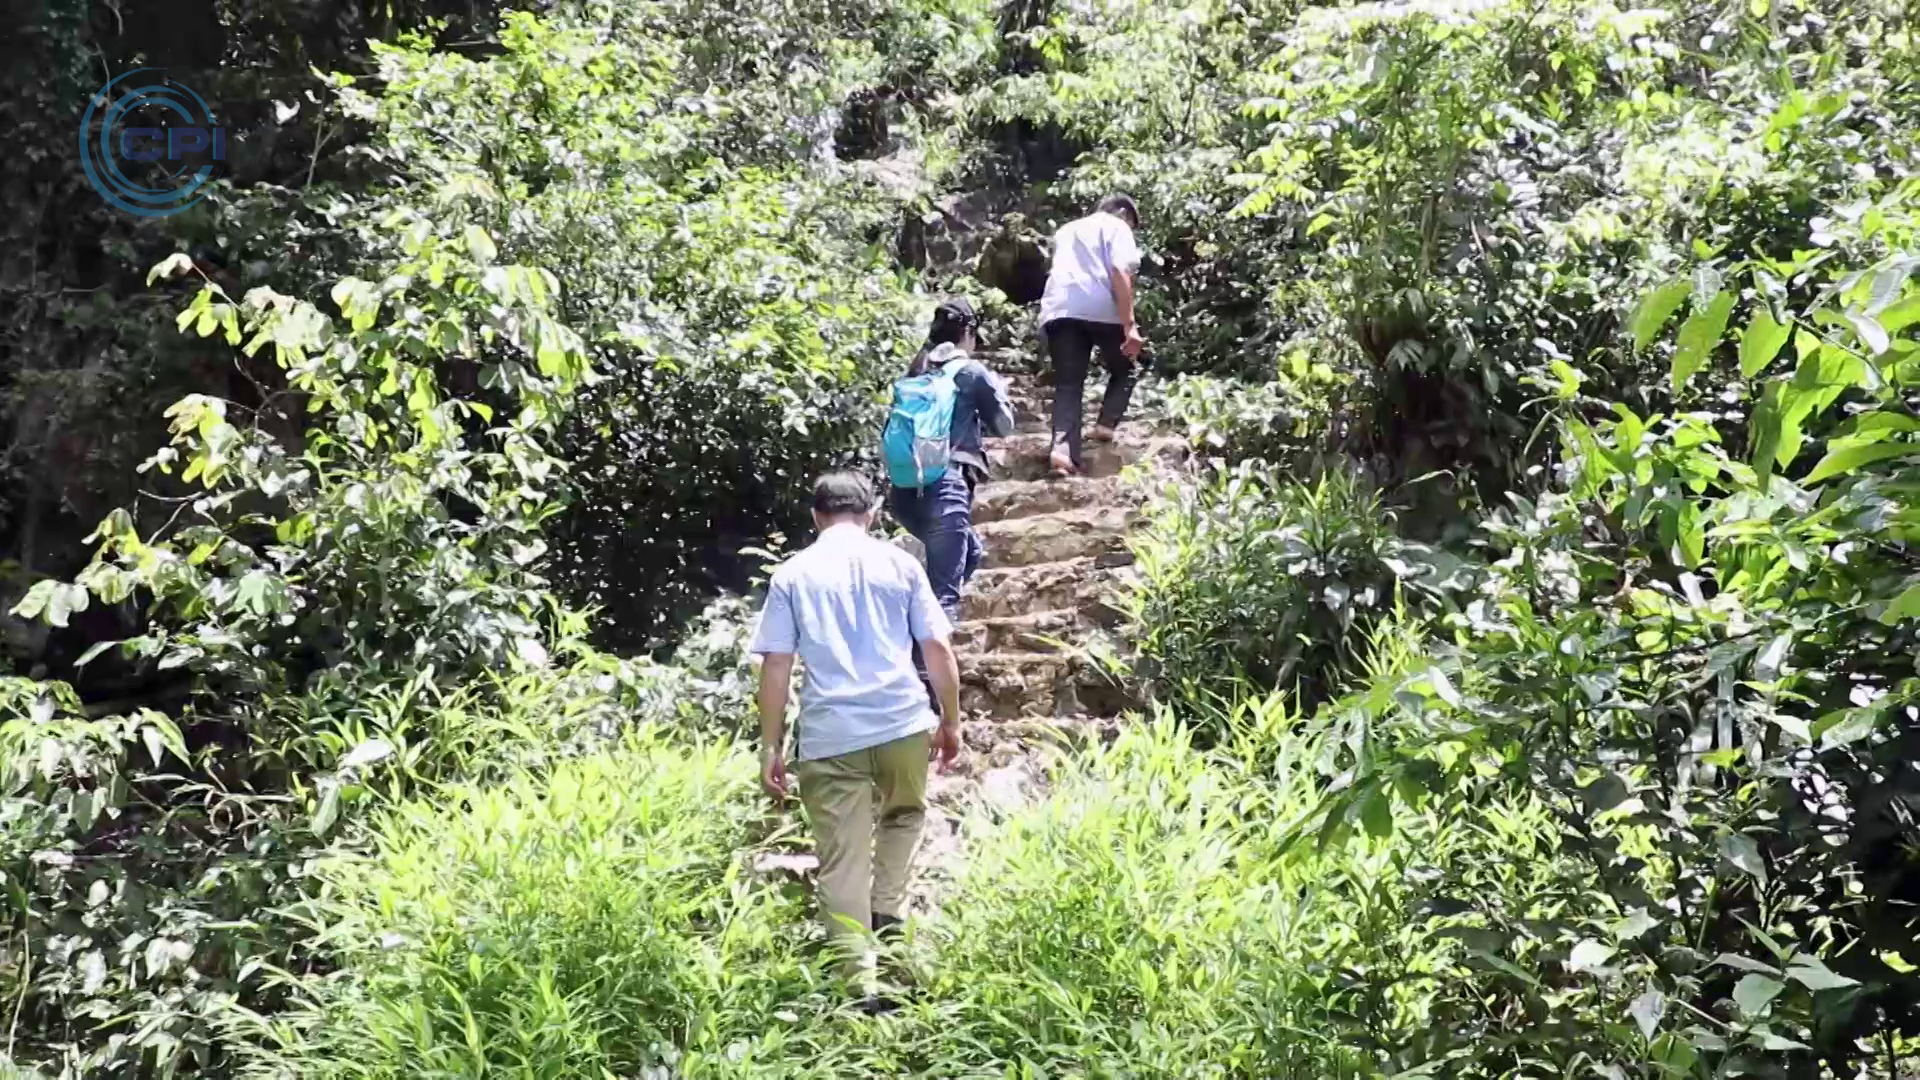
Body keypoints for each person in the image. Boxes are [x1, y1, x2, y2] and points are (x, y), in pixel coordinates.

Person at [749, 472, 964, 1011]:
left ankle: (859, 989)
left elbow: (777, 665)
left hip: (831, 736)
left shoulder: (792, 574)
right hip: (902, 724)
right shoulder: (901, 564)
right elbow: (936, 647)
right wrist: (951, 720)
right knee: (904, 816)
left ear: (816, 516)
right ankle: (890, 922)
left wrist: (770, 745)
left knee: (841, 859)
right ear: (871, 513)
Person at [886, 297, 1016, 624]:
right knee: (945, 595)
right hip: (946, 488)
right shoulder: (971, 372)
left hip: (904, 489)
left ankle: (914, 639)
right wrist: (999, 391)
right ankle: (927, 671)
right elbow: (1005, 426)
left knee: (970, 552)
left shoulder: (918, 367)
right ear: (969, 332)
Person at [1036, 193, 1147, 478]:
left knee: (1069, 384)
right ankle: (1105, 425)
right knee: (1126, 369)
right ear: (1124, 215)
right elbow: (1119, 271)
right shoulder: (1117, 227)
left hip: (1059, 308)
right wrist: (1130, 325)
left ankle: (1062, 453)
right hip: (1100, 307)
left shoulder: (1067, 230)